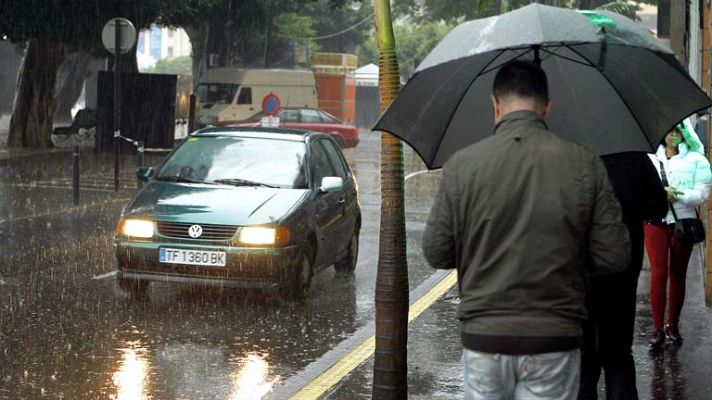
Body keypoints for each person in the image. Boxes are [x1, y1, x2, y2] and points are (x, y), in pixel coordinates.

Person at [422, 60, 630, 399]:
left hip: (484, 338)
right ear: (548, 107)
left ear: (495, 104)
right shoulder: (584, 163)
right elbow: (615, 255)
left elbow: (436, 251)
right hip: (555, 337)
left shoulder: (463, 165)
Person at [579, 152, 667, 400]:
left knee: (583, 357)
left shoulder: (565, 157)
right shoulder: (633, 157)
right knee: (617, 353)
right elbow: (658, 205)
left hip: (578, 273)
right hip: (622, 269)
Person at [645, 121, 711, 348]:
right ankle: (657, 329)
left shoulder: (696, 160)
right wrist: (660, 193)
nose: (673, 135)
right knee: (658, 273)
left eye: (678, 131)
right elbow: (641, 187)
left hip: (684, 222)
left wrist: (678, 195)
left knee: (678, 275)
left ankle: (672, 325)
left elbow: (702, 194)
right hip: (655, 221)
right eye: (669, 130)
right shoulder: (650, 158)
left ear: (684, 134)